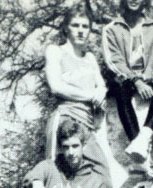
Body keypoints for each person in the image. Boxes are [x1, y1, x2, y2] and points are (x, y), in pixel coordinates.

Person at [102, 0, 153, 161]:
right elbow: (114, 62)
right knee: (118, 84)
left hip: (150, 81)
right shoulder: (112, 28)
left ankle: (144, 137)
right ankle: (137, 143)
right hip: (127, 82)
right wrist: (136, 80)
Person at [44, 6, 109, 174]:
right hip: (66, 117)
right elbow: (56, 87)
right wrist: (90, 95)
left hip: (87, 124)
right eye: (75, 25)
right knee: (56, 175)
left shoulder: (90, 58)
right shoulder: (55, 51)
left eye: (85, 26)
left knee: (102, 176)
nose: (80, 31)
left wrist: (102, 91)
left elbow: (101, 86)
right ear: (66, 28)